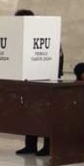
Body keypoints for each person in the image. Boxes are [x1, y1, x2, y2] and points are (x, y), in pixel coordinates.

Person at [14, 9, 62, 156]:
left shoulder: (47, 35)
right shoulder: (22, 37)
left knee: (45, 116)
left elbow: (56, 60)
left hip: (47, 83)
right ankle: (30, 145)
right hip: (29, 83)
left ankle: (48, 145)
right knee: (30, 115)